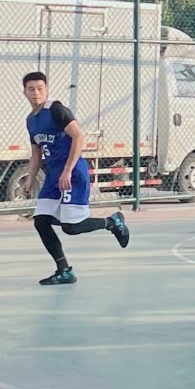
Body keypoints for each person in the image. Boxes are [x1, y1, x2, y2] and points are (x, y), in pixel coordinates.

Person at [23, 72, 129, 285]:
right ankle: (64, 271)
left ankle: (112, 222)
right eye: (31, 89)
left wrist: (68, 170)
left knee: (71, 227)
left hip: (72, 173)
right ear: (24, 91)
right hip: (53, 176)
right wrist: (30, 178)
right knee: (41, 221)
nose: (36, 93)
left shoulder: (56, 109)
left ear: (47, 89)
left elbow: (79, 136)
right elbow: (36, 152)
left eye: (40, 88)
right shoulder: (31, 120)